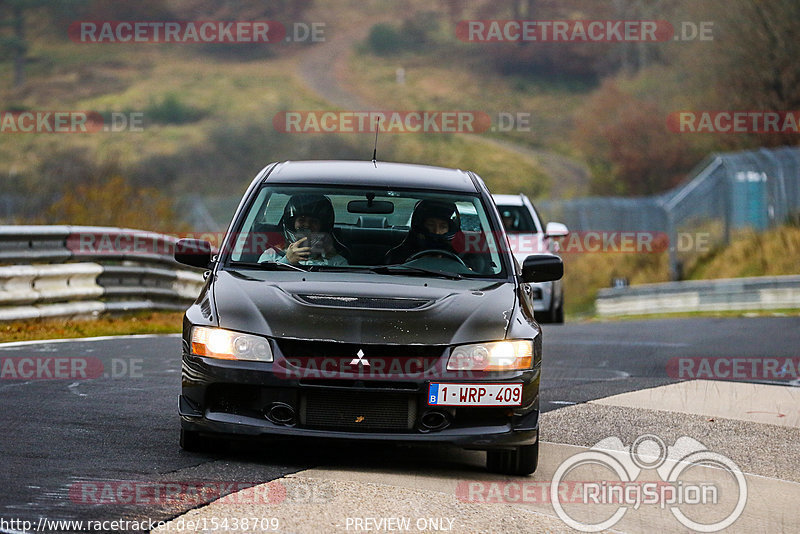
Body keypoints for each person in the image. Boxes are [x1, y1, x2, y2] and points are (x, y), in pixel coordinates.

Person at [259, 194, 349, 266]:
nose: (307, 225)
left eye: (313, 221)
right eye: (301, 220)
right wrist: (287, 261)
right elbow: (261, 282)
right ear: (291, 223)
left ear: (322, 227)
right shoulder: (272, 255)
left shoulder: (337, 262)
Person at [385, 199, 461, 264]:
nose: (436, 231)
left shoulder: (461, 255)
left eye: (443, 226)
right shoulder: (398, 254)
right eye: (431, 225)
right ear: (421, 226)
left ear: (450, 229)